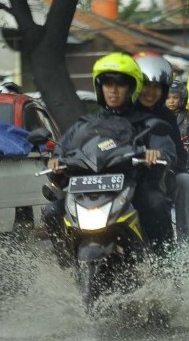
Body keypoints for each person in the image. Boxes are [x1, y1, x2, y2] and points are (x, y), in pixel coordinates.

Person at [42, 52, 178, 260]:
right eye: (107, 84)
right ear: (99, 88)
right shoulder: (84, 125)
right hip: (87, 190)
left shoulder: (145, 122)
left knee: (156, 204)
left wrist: (156, 154)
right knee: (51, 211)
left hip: (133, 189)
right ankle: (65, 262)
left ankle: (167, 264)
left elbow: (166, 150)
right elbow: (62, 149)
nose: (113, 90)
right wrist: (56, 160)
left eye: (120, 85)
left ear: (131, 88)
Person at [133, 53, 189, 244]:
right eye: (146, 85)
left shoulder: (166, 116)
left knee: (186, 181)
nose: (151, 92)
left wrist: (166, 165)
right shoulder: (121, 111)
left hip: (158, 176)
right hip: (125, 175)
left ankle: (184, 244)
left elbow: (176, 150)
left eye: (157, 87)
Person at [166, 78, 189, 176]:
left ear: (182, 99)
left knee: (187, 177)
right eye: (168, 98)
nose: (171, 101)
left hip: (185, 156)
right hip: (164, 155)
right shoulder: (158, 116)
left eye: (175, 98)